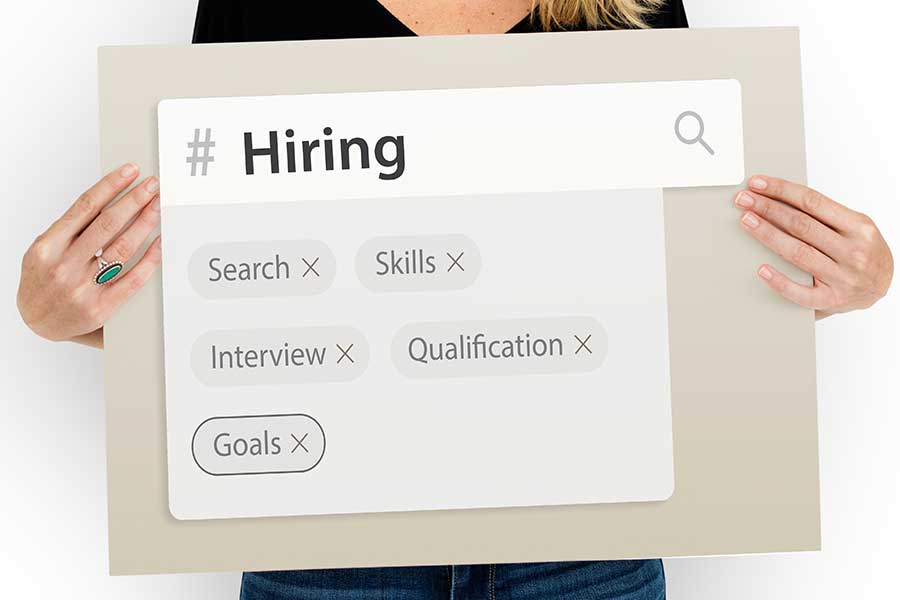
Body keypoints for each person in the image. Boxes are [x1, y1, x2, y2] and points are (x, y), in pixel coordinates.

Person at [15, 1, 894, 598]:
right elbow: (217, 292)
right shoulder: (257, 5)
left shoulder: (629, 5)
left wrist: (842, 284)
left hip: (584, 552)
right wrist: (66, 314)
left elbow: (678, 286)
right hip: (327, 558)